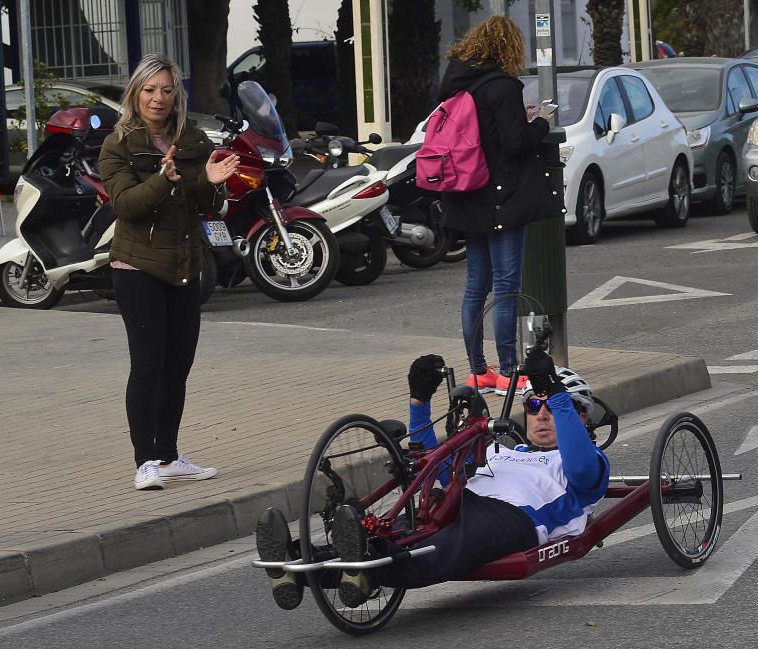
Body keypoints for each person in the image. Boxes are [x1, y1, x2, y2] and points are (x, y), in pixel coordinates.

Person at [255, 353, 610, 610]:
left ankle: (362, 566)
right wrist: (419, 400)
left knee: (446, 544)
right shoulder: (500, 451)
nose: (542, 414)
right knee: (400, 528)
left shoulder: (587, 462)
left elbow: (579, 469)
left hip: (517, 517)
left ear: (581, 416)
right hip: (458, 499)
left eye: (556, 406)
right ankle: (295, 561)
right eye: (534, 404)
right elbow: (432, 464)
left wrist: (555, 391)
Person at [98, 53, 240, 491]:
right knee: (147, 366)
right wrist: (166, 178)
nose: (158, 98)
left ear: (176, 95)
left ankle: (169, 455)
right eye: (149, 90)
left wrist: (213, 186)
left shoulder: (193, 139)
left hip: (184, 266)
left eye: (166, 90)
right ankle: (145, 463)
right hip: (137, 266)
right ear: (134, 94)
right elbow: (125, 205)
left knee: (177, 366)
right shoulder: (118, 143)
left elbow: (204, 207)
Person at [437, 16, 558, 397]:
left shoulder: (458, 84)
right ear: (508, 48)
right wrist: (539, 122)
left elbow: (483, 133)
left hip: (467, 194)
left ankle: (478, 372)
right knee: (506, 287)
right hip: (501, 196)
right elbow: (515, 143)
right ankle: (507, 370)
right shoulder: (502, 87)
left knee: (476, 287)